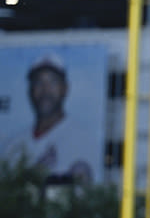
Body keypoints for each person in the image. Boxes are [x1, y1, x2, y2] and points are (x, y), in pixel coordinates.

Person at [6, 54, 93, 182]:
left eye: (53, 82)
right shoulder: (12, 145)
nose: (45, 90)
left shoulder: (84, 140)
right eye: (38, 82)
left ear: (65, 88)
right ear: (30, 90)